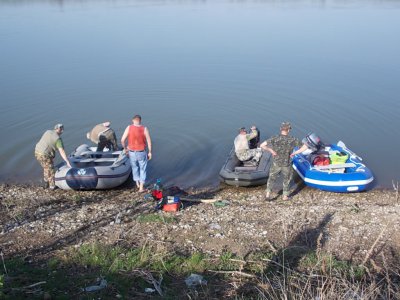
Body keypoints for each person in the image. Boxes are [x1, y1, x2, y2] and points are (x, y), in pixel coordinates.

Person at [260, 122, 302, 200]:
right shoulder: (293, 139)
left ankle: (268, 195)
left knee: (272, 178)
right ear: (288, 130)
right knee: (287, 179)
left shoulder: (274, 138)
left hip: (276, 163)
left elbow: (262, 145)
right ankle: (285, 196)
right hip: (287, 164)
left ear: (280, 129)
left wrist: (271, 150)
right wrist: (296, 152)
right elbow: (305, 146)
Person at [121, 115, 152, 193]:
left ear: (132, 120)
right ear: (140, 120)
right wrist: (150, 152)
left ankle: (137, 184)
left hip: (131, 152)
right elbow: (149, 141)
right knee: (143, 169)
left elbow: (122, 140)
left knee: (135, 168)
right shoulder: (144, 129)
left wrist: (125, 149)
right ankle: (141, 188)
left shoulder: (129, 127)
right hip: (141, 152)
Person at [35, 124, 71, 190]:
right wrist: (67, 161)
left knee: (46, 167)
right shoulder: (58, 139)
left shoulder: (48, 131)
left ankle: (46, 183)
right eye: (61, 129)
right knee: (50, 169)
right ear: (58, 129)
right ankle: (52, 186)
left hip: (37, 152)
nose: (62, 131)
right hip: (44, 155)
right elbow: (61, 151)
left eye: (62, 129)